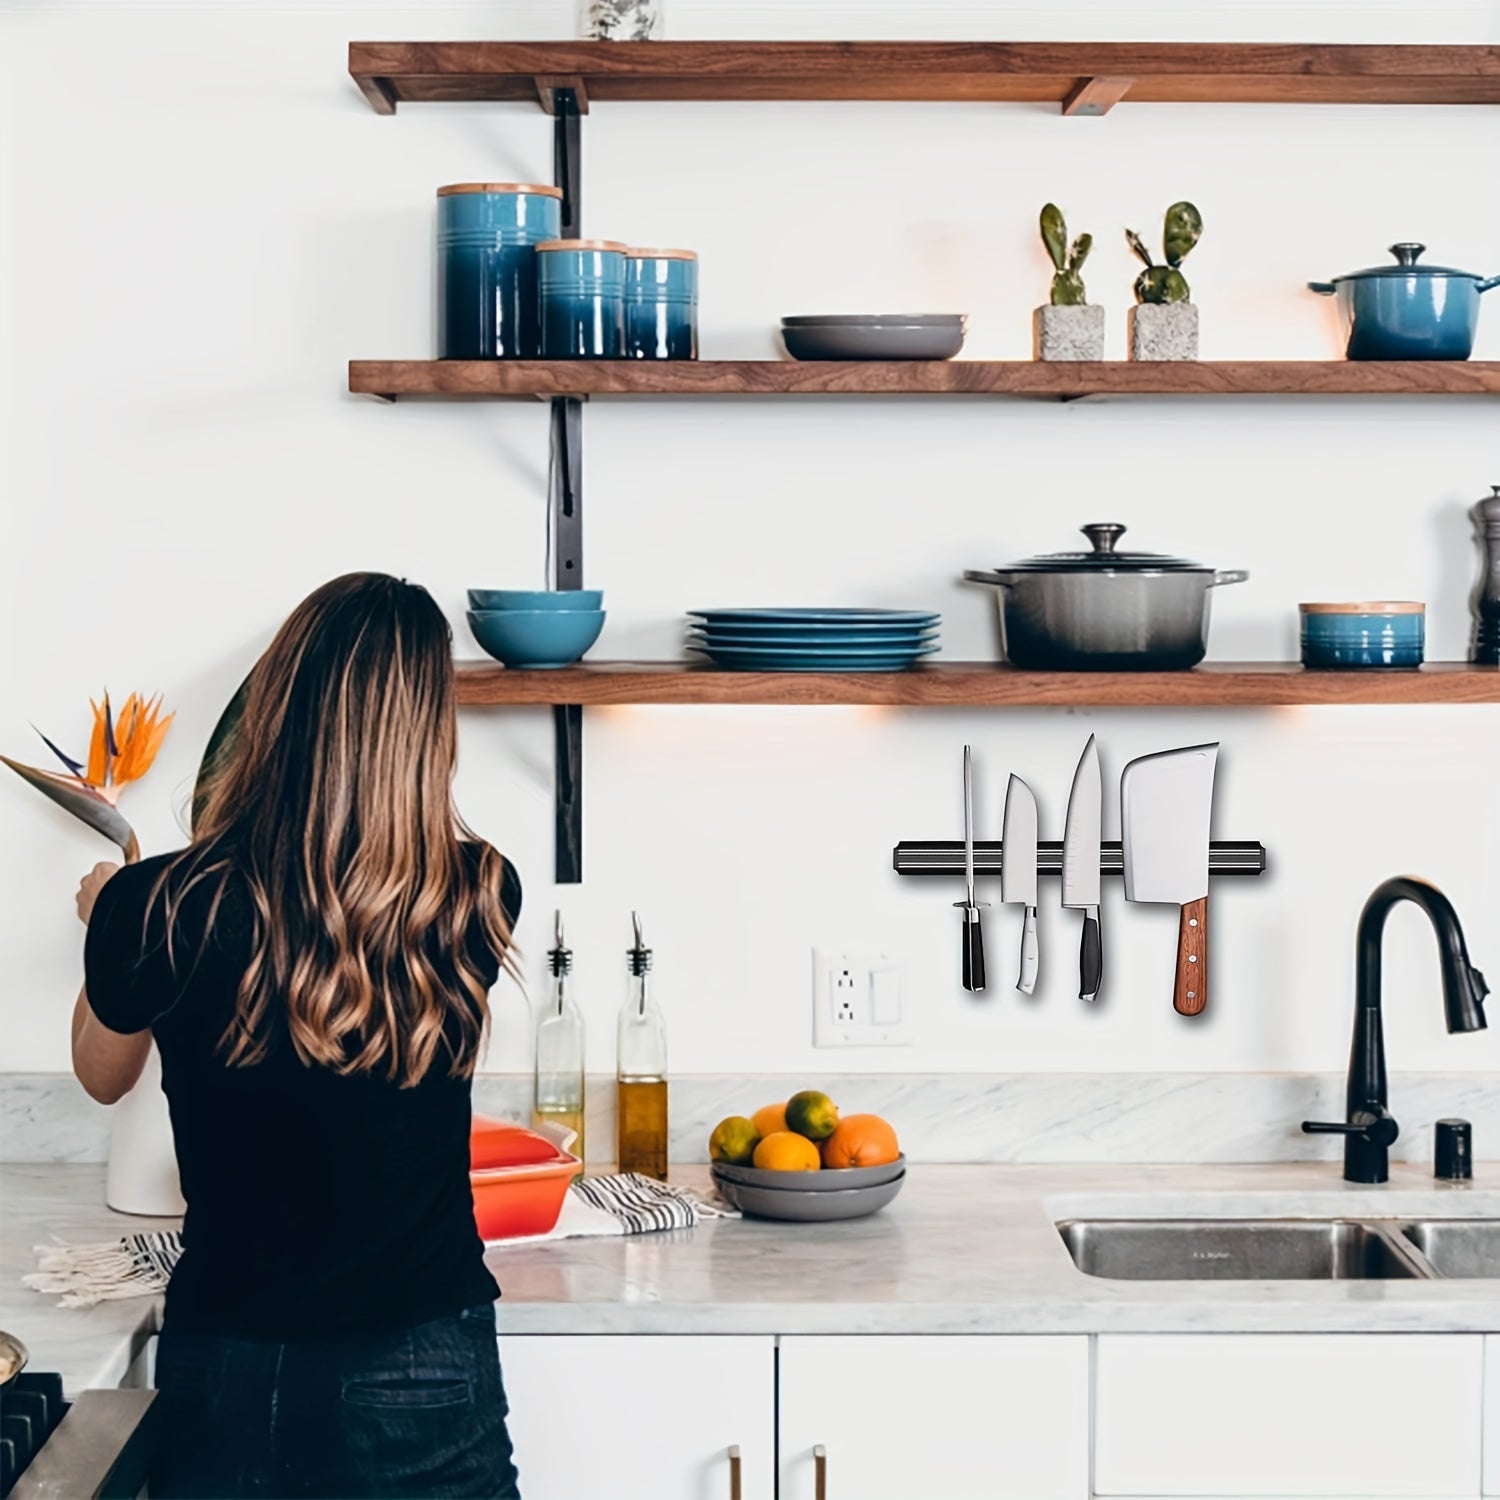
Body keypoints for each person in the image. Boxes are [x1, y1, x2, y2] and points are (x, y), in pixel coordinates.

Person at [72, 572, 524, 1499]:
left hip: (231, 1356)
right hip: (424, 1353)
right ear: (427, 734)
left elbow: (100, 1074)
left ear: (273, 703)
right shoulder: (477, 893)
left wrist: (106, 927)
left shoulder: (156, 903)